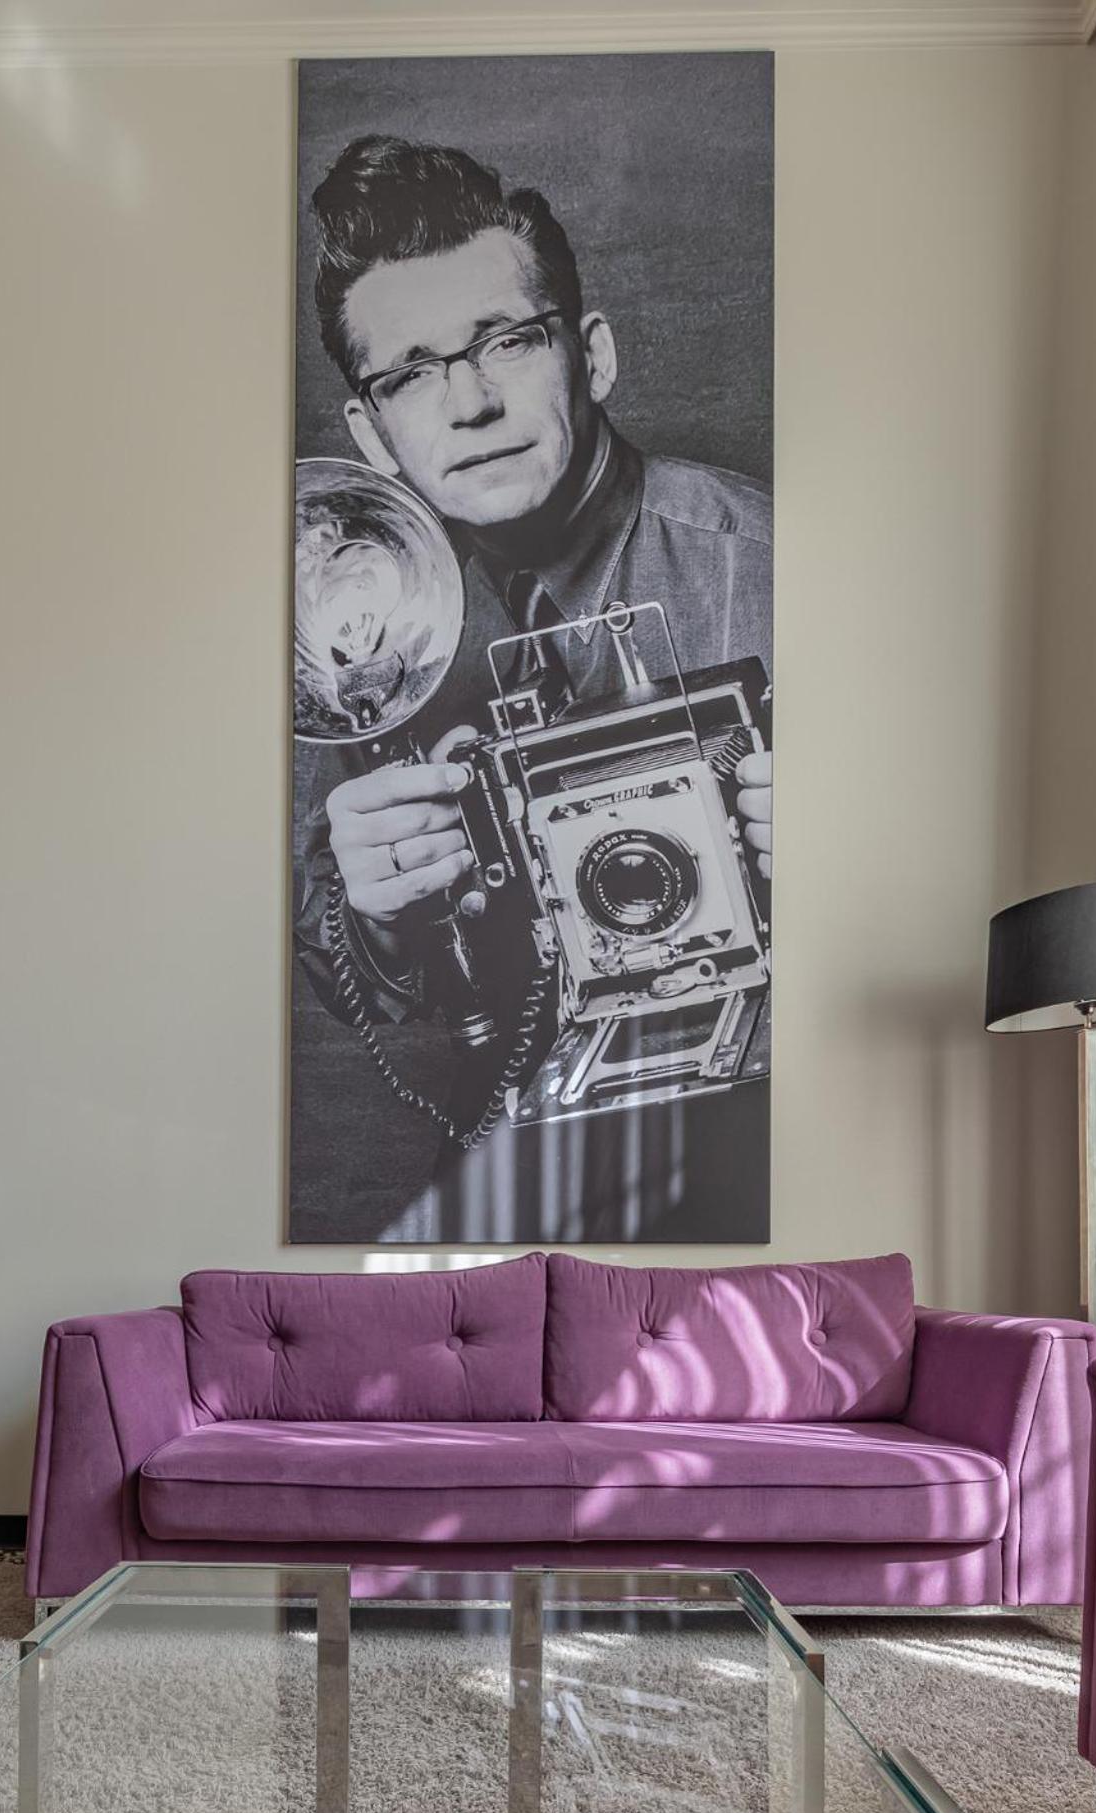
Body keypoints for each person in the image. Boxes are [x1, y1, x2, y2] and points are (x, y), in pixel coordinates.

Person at [293, 136, 772, 1243]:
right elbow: (372, 988)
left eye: (505, 341)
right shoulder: (359, 627)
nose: (468, 403)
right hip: (520, 1197)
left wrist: (853, 872)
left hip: (762, 1175)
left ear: (590, 356)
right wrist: (377, 914)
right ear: (371, 433)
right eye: (410, 374)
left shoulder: (776, 567)